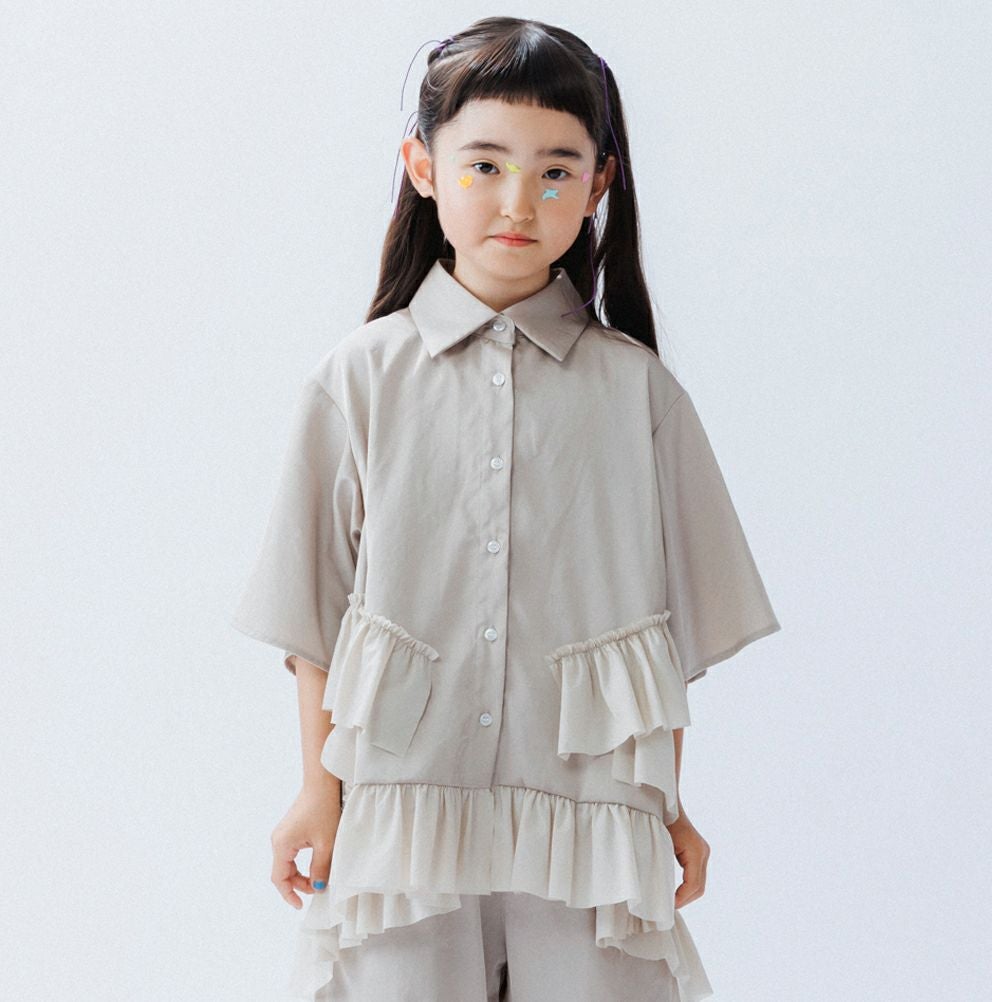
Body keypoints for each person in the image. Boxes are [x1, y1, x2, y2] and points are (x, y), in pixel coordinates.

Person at [230, 16, 781, 1002]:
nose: (520, 201)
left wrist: (667, 805)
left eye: (556, 171)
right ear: (423, 167)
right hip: (402, 812)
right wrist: (317, 788)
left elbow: (666, 635)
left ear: (599, 184)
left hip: (588, 819)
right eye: (484, 165)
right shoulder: (358, 382)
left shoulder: (639, 395)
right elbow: (315, 618)